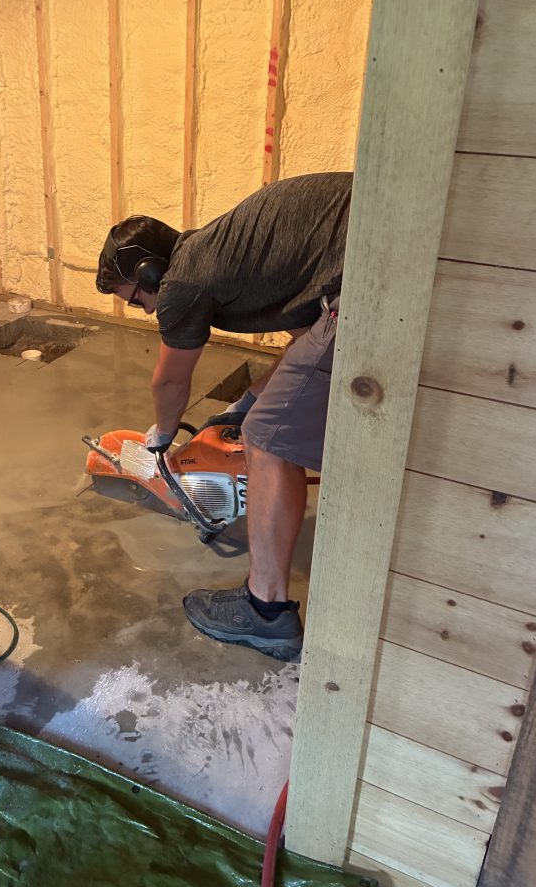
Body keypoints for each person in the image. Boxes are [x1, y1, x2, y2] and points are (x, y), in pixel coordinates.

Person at [95, 172, 352, 661]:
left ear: (150, 275)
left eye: (136, 299)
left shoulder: (180, 284)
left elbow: (170, 382)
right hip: (359, 272)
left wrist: (162, 437)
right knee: (264, 423)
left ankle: (266, 612)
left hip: (367, 283)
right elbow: (305, 336)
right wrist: (247, 403)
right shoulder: (216, 253)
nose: (147, 311)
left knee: (268, 442)